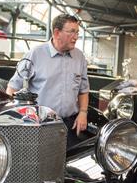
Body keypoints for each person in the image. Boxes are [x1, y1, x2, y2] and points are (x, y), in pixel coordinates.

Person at [7, 14, 89, 147]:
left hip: (70, 125)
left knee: (69, 163)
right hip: (40, 125)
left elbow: (83, 89)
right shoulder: (35, 54)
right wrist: (15, 120)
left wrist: (83, 113)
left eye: (77, 32)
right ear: (57, 33)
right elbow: (13, 87)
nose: (76, 37)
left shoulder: (79, 57)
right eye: (71, 32)